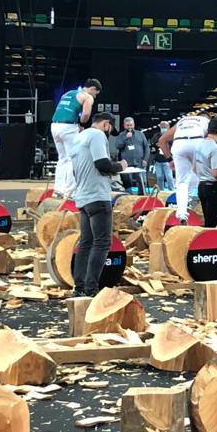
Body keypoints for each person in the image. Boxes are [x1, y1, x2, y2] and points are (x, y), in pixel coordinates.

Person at [70, 112, 126, 297]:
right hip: (97, 196)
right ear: (106, 124)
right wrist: (120, 166)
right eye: (110, 129)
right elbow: (102, 164)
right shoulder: (97, 135)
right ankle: (91, 288)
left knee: (86, 243)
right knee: (102, 243)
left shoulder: (79, 137)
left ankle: (79, 288)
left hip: (83, 196)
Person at [158, 113, 217, 224]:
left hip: (178, 144)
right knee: (199, 172)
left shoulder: (182, 121)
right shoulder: (206, 122)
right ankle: (194, 198)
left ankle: (182, 212)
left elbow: (162, 140)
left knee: (181, 182)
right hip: (197, 142)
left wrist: (169, 160)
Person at [50, 79, 101, 197]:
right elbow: (86, 114)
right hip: (68, 127)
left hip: (55, 125)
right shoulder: (87, 97)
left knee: (62, 158)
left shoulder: (67, 93)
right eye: (96, 94)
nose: (95, 96)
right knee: (73, 158)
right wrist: (82, 124)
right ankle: (69, 191)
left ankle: (58, 189)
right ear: (92, 89)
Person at [113, 117, 150, 193]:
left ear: (134, 125)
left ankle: (142, 196)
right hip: (126, 163)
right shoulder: (121, 135)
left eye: (131, 125)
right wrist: (125, 138)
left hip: (140, 162)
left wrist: (145, 159)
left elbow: (146, 147)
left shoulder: (140, 134)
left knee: (142, 181)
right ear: (124, 125)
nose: (129, 127)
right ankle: (129, 196)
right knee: (127, 182)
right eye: (128, 125)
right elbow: (117, 145)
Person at [151, 121, 175, 191]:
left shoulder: (171, 135)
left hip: (167, 160)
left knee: (169, 177)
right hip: (158, 160)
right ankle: (160, 192)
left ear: (168, 127)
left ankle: (172, 191)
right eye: (162, 127)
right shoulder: (156, 136)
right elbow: (152, 145)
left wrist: (164, 143)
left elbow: (173, 145)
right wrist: (155, 146)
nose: (163, 128)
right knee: (159, 177)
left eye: (165, 127)